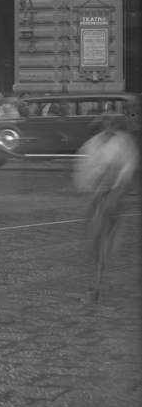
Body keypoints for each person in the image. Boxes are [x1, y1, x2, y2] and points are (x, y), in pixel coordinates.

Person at [74, 114, 139, 301]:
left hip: (113, 194)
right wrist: (90, 186)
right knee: (93, 233)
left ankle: (98, 279)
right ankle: (95, 275)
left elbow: (128, 165)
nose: (109, 128)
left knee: (104, 234)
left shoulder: (123, 142)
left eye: (112, 125)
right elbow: (84, 167)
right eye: (106, 125)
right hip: (96, 192)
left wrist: (117, 187)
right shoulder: (92, 144)